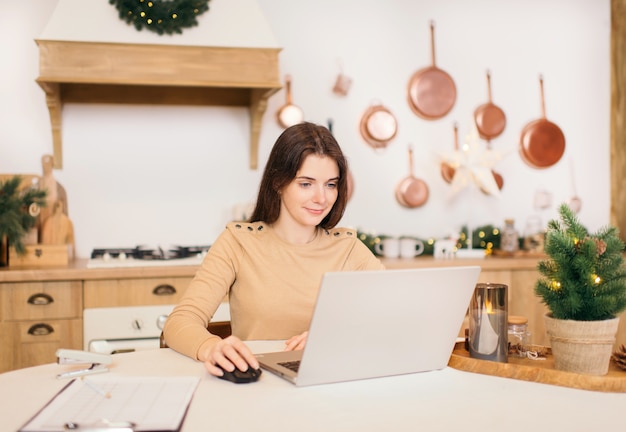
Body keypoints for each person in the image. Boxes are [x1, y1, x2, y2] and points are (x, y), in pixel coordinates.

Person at [163, 122, 384, 378]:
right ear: (279, 182)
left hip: (329, 383)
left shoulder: (348, 248)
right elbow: (180, 321)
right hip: (258, 384)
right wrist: (211, 347)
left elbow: (393, 316)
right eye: (306, 184)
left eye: (331, 184)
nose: (321, 198)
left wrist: (333, 337)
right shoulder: (238, 242)